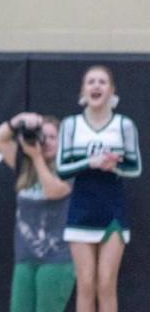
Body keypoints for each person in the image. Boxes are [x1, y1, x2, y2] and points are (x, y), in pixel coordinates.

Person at [56, 66, 141, 312]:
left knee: (106, 284)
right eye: (91, 81)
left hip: (112, 211)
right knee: (85, 284)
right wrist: (89, 162)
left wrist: (113, 166)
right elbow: (62, 169)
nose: (96, 86)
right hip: (81, 211)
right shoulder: (71, 124)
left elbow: (136, 168)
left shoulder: (124, 125)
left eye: (102, 82)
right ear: (83, 90)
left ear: (111, 90)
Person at [0, 112, 74, 312]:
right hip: (25, 256)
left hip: (57, 258)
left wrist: (36, 156)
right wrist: (19, 120)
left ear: (63, 142)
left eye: (53, 137)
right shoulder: (24, 166)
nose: (46, 142)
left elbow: (53, 191)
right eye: (42, 136)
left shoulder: (69, 168)